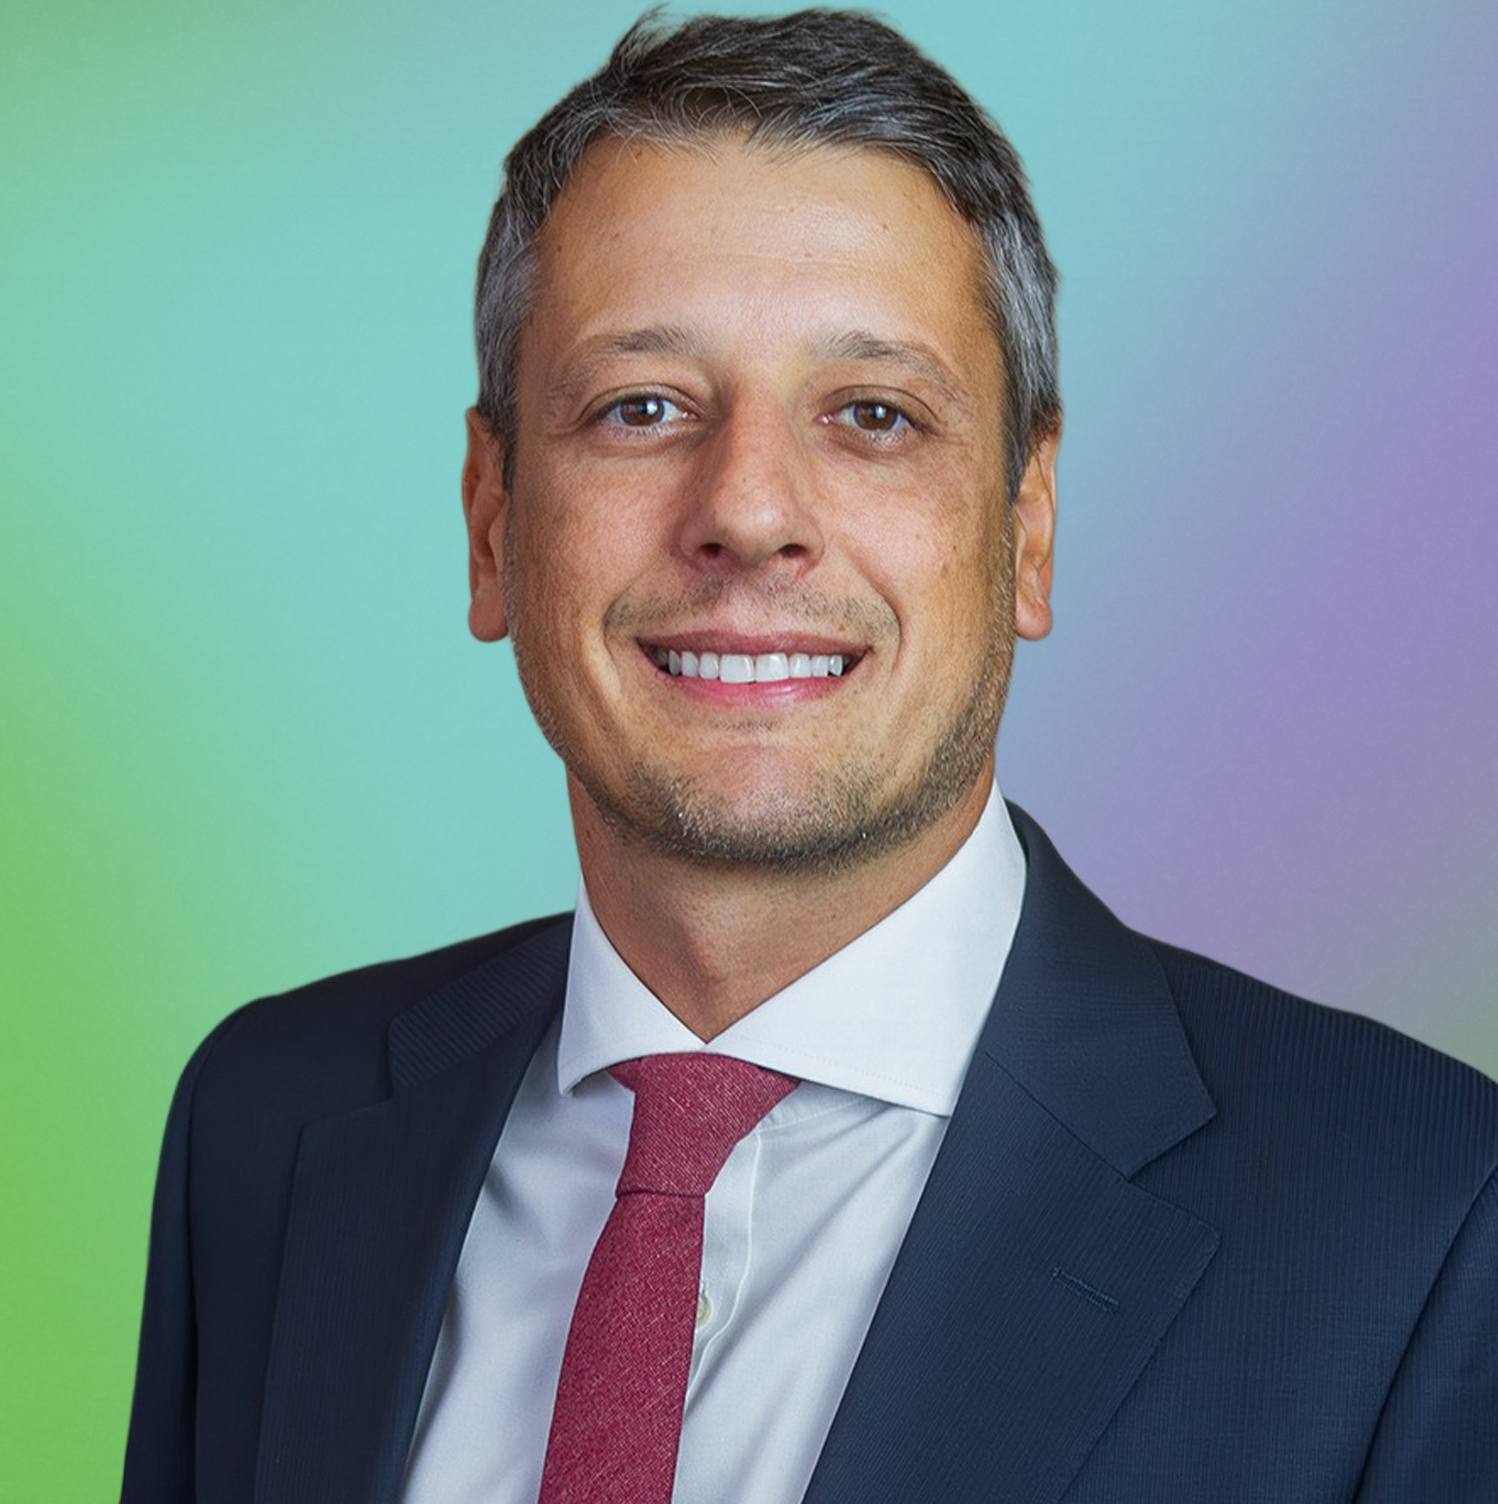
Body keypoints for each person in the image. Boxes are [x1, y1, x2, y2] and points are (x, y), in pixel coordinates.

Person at [122, 11, 1498, 1503]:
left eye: (872, 416)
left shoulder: (1423, 1226)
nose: (748, 511)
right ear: (490, 520)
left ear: (1026, 530)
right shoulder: (269, 1124)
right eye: (642, 407)